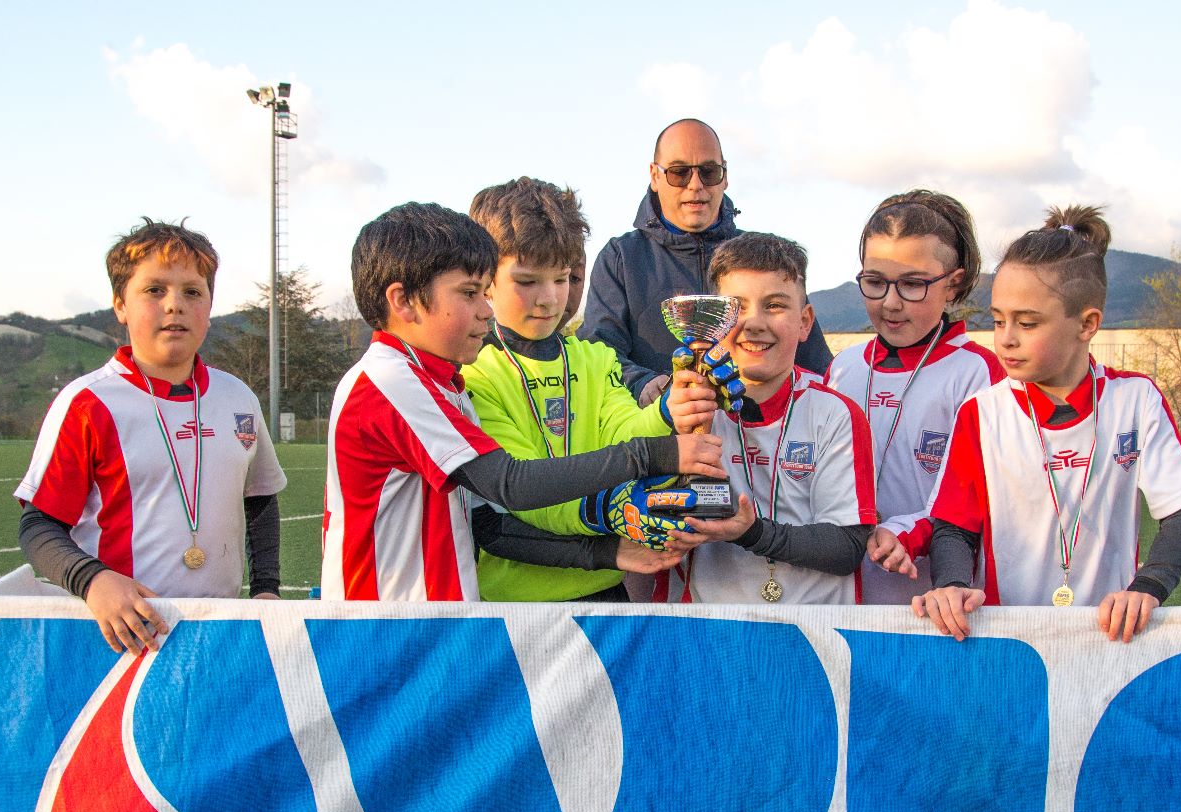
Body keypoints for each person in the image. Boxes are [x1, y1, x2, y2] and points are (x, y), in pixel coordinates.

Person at [322, 201, 724, 602]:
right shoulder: (391, 381)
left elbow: (481, 511)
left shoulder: (436, 378)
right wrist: (654, 456)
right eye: (469, 293)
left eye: (563, 278)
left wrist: (668, 412)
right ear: (403, 301)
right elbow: (511, 485)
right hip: (385, 627)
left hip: (435, 621)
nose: (484, 311)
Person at [910, 205, 1181, 642]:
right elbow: (954, 525)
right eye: (998, 320)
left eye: (1027, 322)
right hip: (1004, 640)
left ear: (1087, 324)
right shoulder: (982, 411)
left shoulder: (1135, 400)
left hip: (1107, 638)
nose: (1006, 338)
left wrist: (1148, 587)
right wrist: (952, 584)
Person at [16, 219, 286, 654]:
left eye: (192, 292)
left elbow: (259, 500)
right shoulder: (87, 403)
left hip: (218, 631)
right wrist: (94, 580)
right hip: (123, 637)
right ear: (120, 304)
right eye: (154, 290)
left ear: (210, 306)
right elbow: (39, 524)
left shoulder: (238, 397)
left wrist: (266, 588)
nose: (174, 305)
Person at [463, 176, 724, 601]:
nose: (550, 299)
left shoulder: (594, 358)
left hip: (605, 591)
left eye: (562, 279)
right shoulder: (476, 375)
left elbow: (622, 430)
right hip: (517, 602)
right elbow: (522, 492)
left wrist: (669, 410)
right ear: (486, 280)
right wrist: (609, 514)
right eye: (527, 282)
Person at [661, 232, 875, 604]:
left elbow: (846, 548)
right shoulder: (684, 408)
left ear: (805, 321)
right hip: (713, 631)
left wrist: (753, 533)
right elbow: (649, 527)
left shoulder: (835, 414)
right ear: (713, 319)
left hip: (815, 630)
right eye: (737, 308)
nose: (754, 323)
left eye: (775, 305)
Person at [825, 190, 1003, 604]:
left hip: (938, 602)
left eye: (912, 284)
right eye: (874, 282)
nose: (890, 302)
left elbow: (978, 498)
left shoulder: (979, 372)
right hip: (845, 601)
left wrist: (912, 531)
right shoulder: (844, 368)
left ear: (953, 285)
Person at [580, 118, 833, 404]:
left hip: (759, 437)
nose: (696, 185)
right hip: (660, 438)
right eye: (679, 173)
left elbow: (815, 363)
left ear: (725, 175)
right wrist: (645, 385)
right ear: (654, 176)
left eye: (709, 171)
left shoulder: (766, 258)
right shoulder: (621, 258)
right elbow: (598, 351)